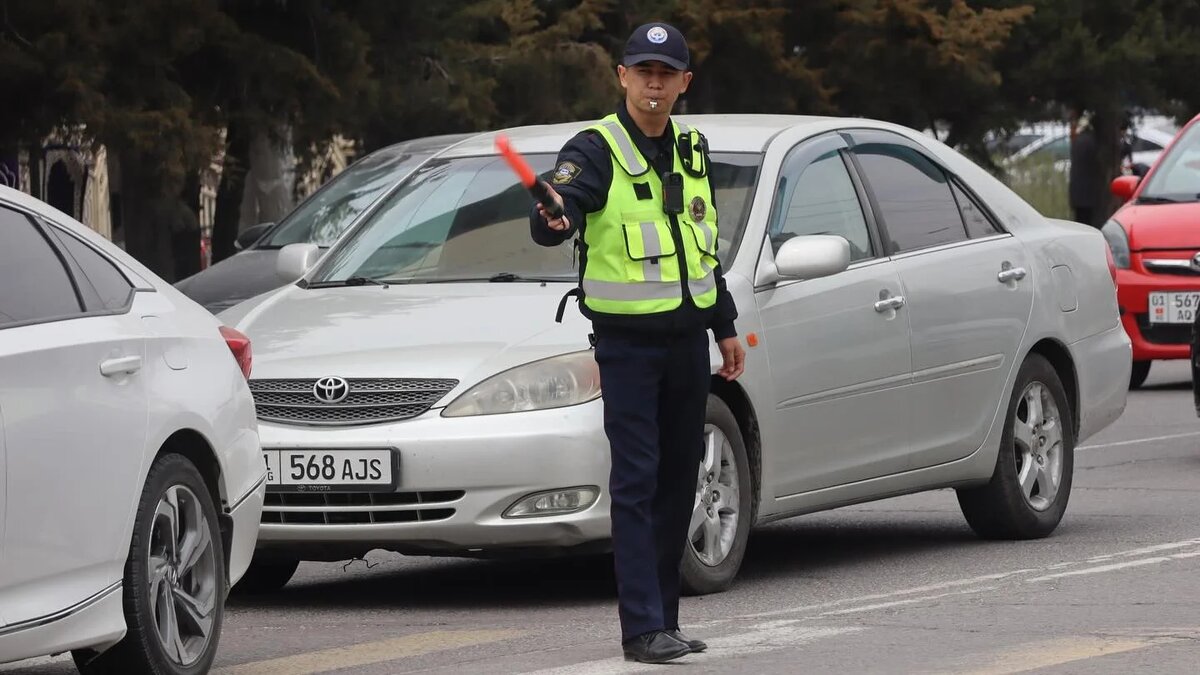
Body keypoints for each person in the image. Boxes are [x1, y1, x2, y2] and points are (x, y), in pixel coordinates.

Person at [528, 21, 745, 665]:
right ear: (622, 77)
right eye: (643, 72)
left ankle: (664, 621)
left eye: (665, 74)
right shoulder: (595, 148)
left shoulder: (693, 149)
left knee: (680, 478)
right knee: (637, 479)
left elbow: (702, 248)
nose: (654, 84)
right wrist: (555, 214)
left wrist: (725, 325)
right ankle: (641, 627)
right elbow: (563, 206)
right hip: (627, 347)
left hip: (688, 343)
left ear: (684, 82)